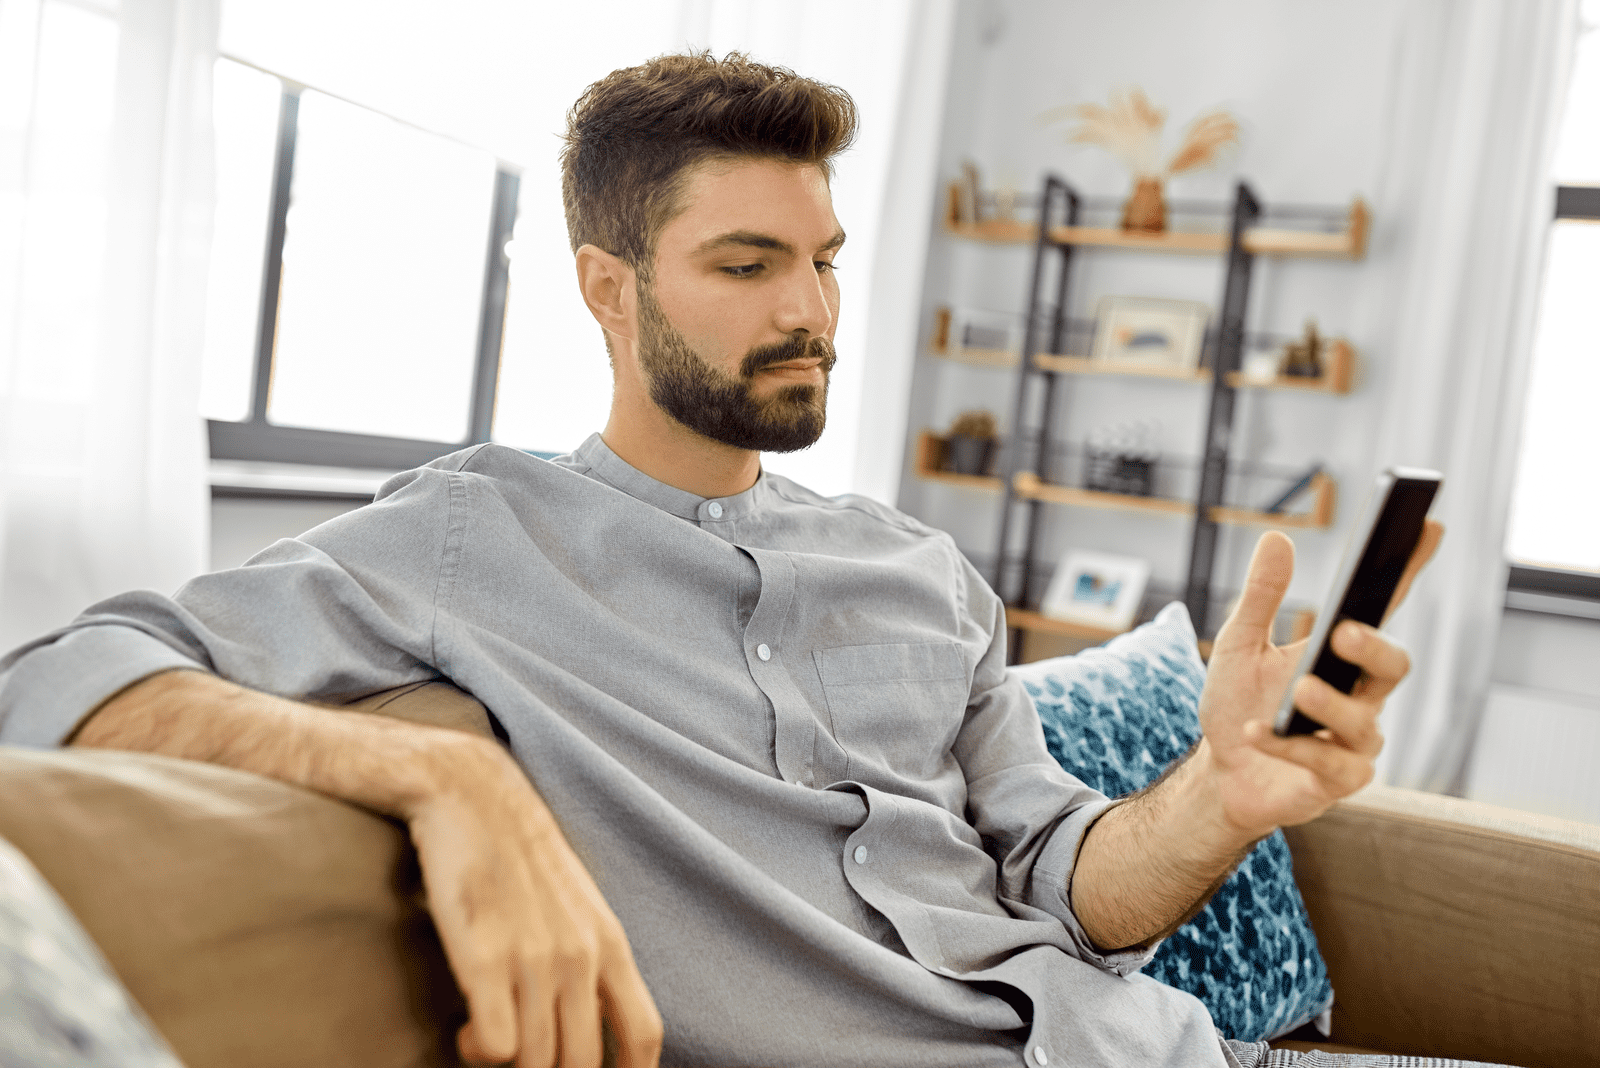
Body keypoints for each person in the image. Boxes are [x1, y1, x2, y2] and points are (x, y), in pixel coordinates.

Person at [0, 52, 1468, 1068]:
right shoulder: (469, 538)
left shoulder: (921, 568)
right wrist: (439, 774)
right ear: (607, 287)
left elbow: (1069, 886)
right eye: (748, 266)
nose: (811, 308)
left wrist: (1222, 797)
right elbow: (61, 671)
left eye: (824, 258)